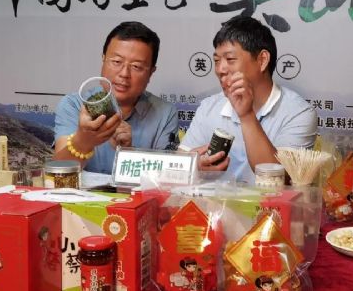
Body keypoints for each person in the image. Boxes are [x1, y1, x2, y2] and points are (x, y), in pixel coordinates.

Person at [179, 16, 317, 184]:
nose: (220, 69)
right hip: (214, 201)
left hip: (269, 202)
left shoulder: (298, 113)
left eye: (230, 59)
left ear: (262, 60)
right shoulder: (209, 107)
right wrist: (196, 167)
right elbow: (177, 166)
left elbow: (281, 178)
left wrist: (246, 115)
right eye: (216, 60)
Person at [53, 21, 178, 174]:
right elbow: (59, 173)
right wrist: (84, 140)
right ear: (103, 59)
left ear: (151, 72)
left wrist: (128, 152)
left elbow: (168, 176)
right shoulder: (74, 105)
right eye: (117, 62)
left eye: (136, 66)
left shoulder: (165, 113)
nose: (124, 74)